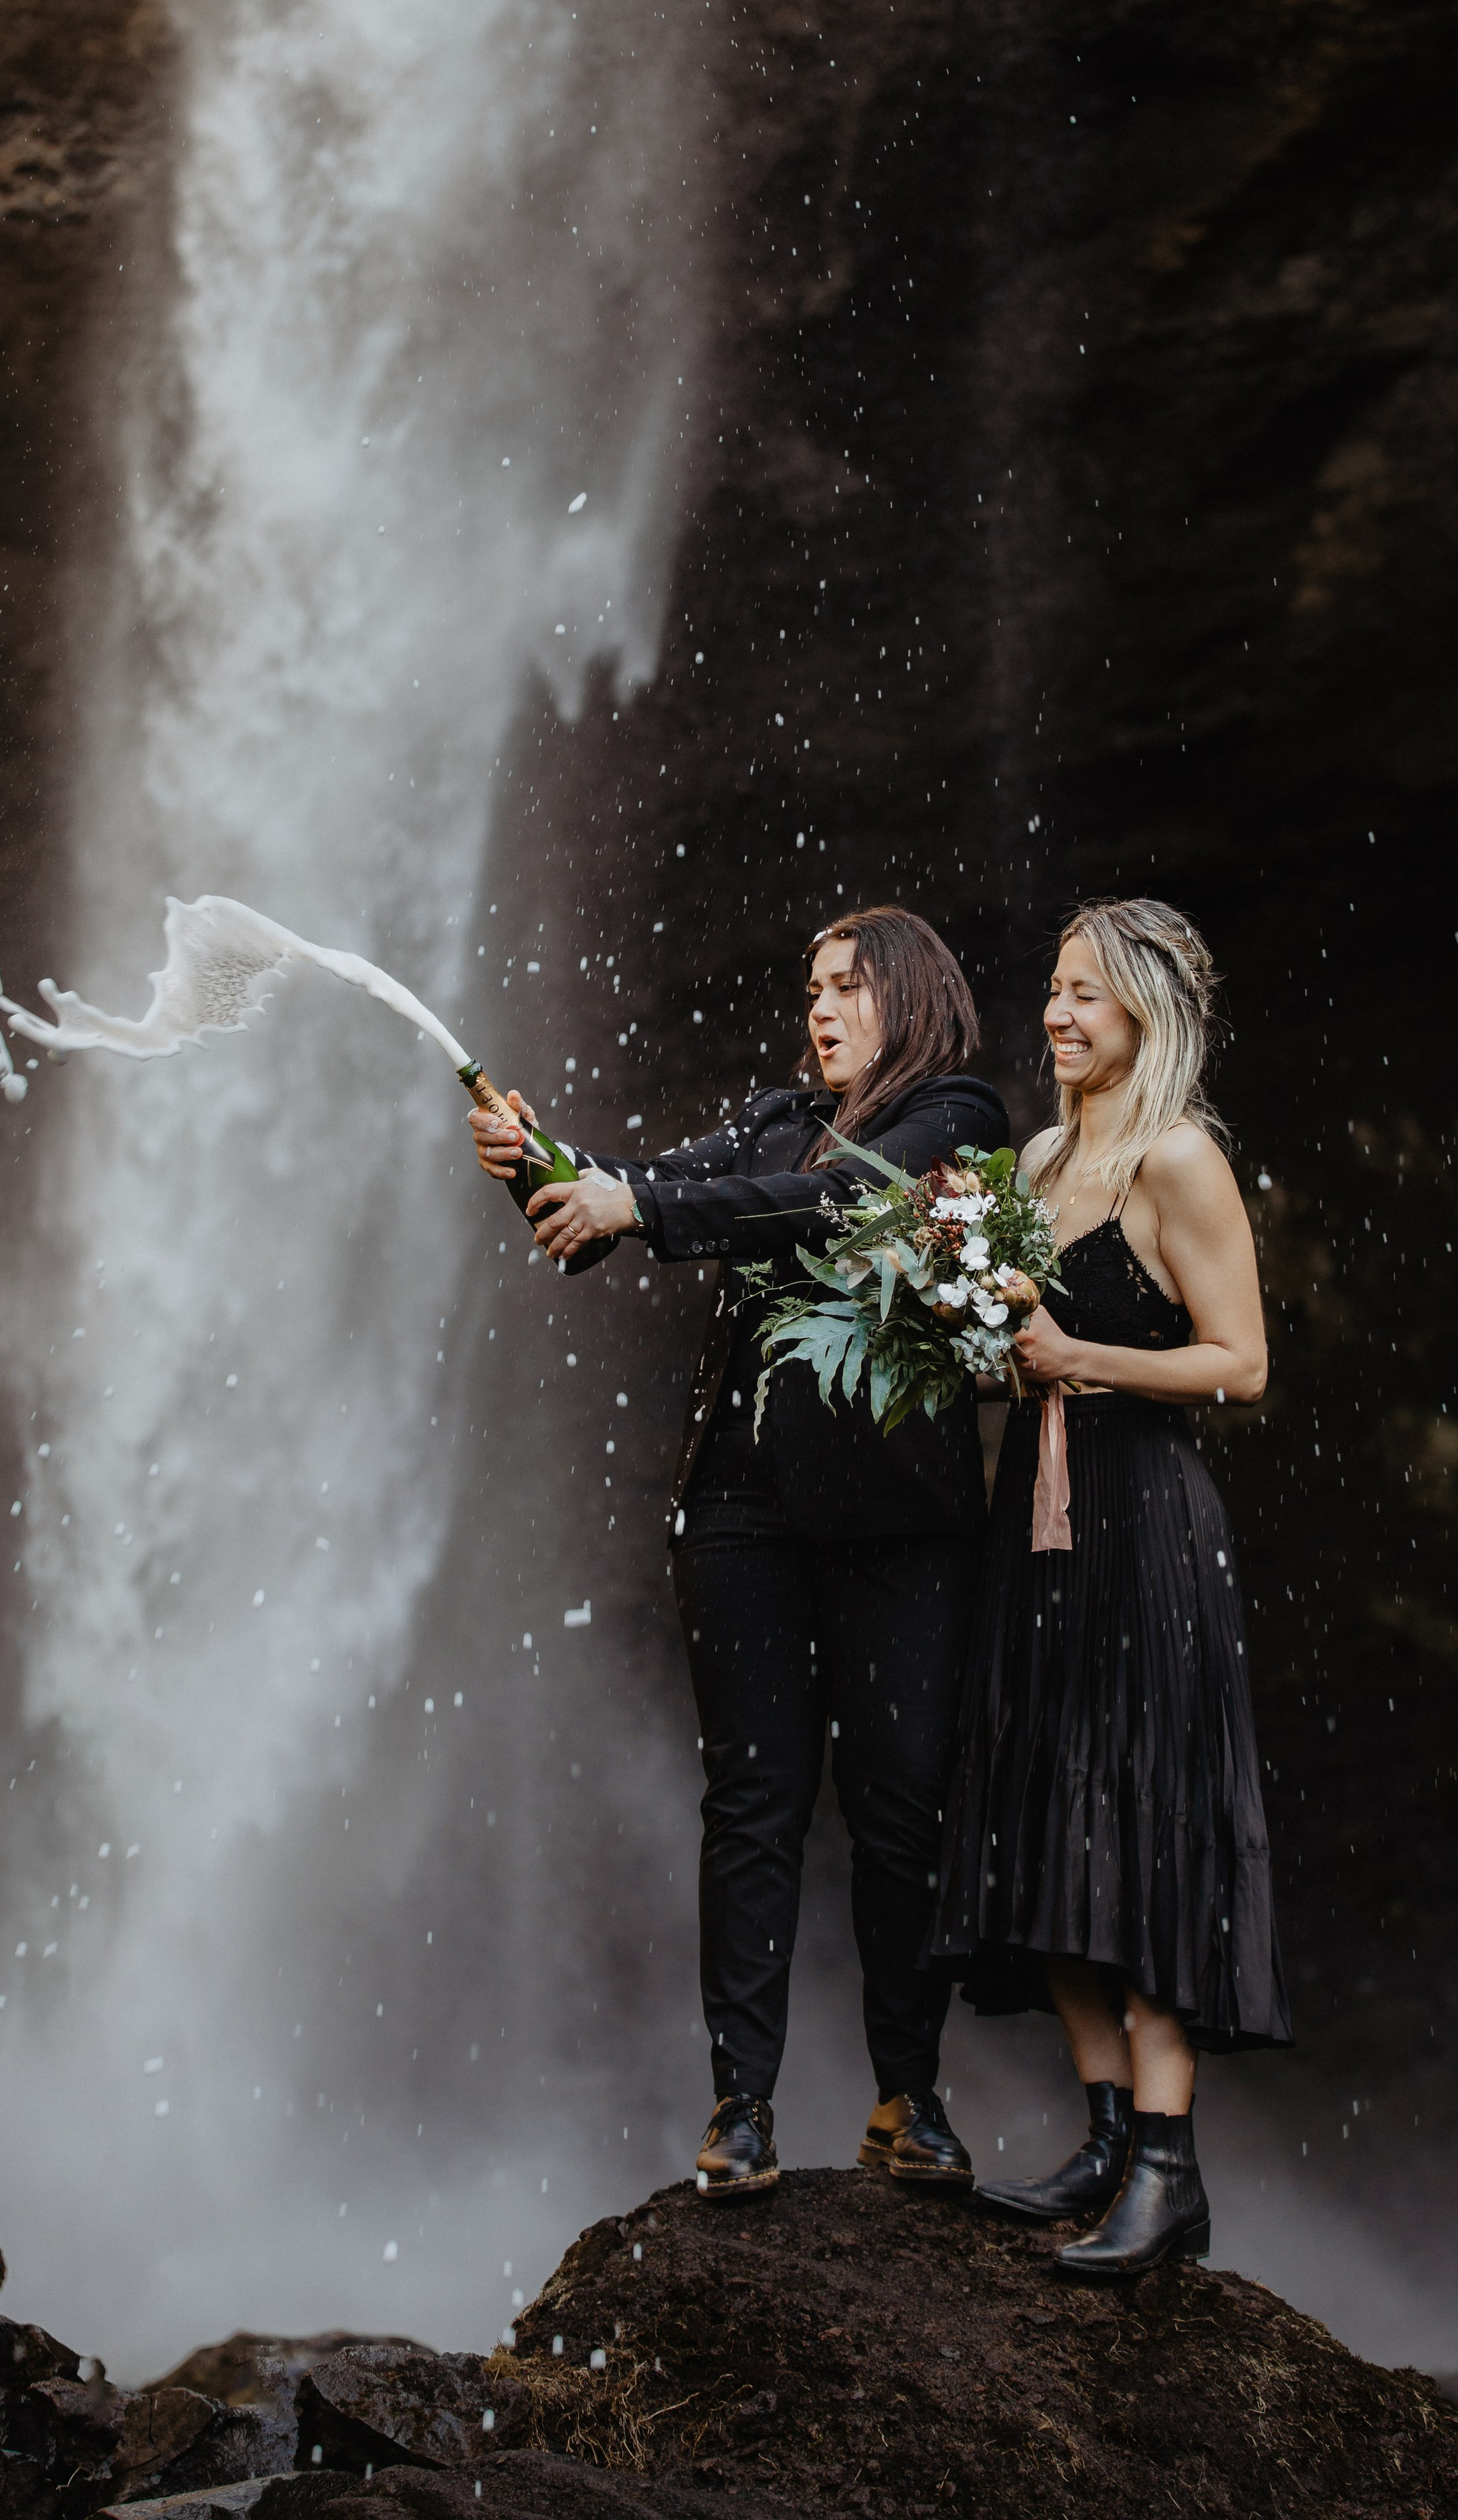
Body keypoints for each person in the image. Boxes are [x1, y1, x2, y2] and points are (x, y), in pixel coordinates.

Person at [469, 907, 1008, 2201]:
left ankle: (908, 2096)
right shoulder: (773, 1118)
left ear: (911, 995)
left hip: (900, 1520)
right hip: (744, 1511)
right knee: (753, 1802)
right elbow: (626, 1185)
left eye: (847, 988)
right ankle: (742, 2106)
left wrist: (638, 1201)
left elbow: (835, 1206)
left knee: (899, 1807)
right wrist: (529, 1155)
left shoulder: (958, 1118)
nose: (819, 1009)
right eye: (810, 987)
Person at [930, 896, 1291, 2277]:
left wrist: (1084, 1358)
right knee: (1040, 1802)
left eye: (1087, 995)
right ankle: (1096, 2135)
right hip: (1038, 1517)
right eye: (1054, 991)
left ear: (1147, 1010)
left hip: (1145, 1521)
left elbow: (1241, 1362)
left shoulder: (1176, 1158)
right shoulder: (1037, 1153)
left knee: (1143, 1819)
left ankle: (1166, 2172)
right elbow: (1016, 1344)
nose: (1057, 1015)